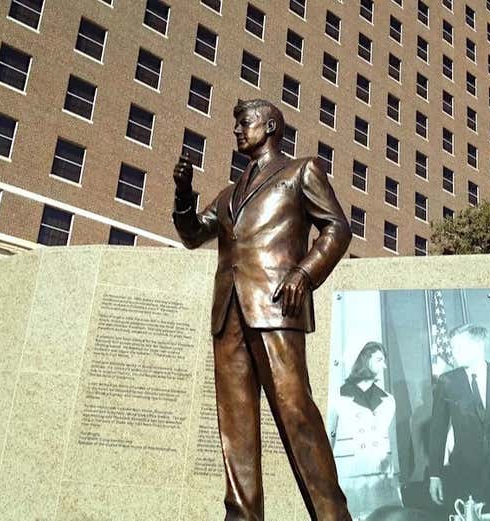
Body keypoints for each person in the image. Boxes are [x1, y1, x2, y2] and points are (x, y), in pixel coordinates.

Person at [172, 99, 352, 521]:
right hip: (229, 314)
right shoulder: (228, 194)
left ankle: (333, 517)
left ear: (270, 126)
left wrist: (305, 273)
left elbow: (337, 228)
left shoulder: (301, 171)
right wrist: (183, 195)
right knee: (235, 426)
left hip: (276, 307)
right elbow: (193, 234)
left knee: (296, 411)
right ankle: (242, 516)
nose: (237, 129)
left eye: (245, 122)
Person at [427, 324, 490, 517]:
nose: (453, 353)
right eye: (452, 348)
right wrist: (434, 475)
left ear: (478, 345)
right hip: (466, 478)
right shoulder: (447, 382)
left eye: (458, 347)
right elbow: (437, 430)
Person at [328, 342, 401, 521]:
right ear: (363, 360)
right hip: (350, 479)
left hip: (381, 479)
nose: (384, 365)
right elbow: (326, 438)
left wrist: (396, 475)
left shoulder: (388, 400)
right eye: (379, 360)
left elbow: (392, 442)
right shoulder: (337, 397)